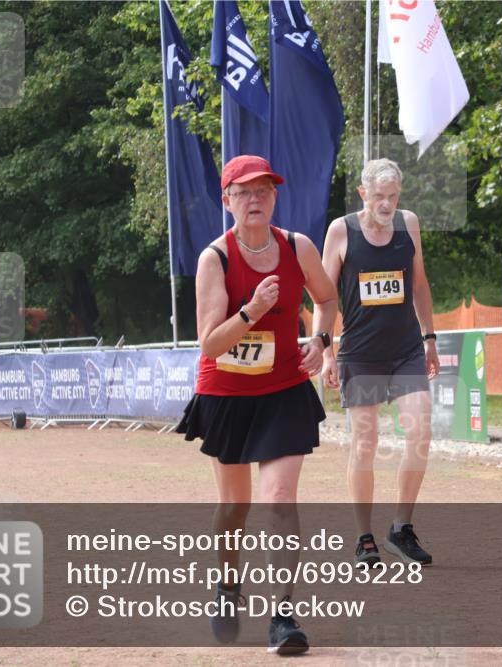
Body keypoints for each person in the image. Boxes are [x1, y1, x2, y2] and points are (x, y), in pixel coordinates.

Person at [177, 155, 337, 655]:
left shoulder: (298, 247)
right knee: (234, 508)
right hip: (227, 392)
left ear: (274, 198)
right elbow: (211, 343)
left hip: (285, 388)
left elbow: (328, 299)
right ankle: (228, 587)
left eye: (263, 191)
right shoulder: (215, 259)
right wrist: (253, 310)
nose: (254, 200)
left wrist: (320, 339)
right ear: (227, 201)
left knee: (280, 499)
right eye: (243, 192)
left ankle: (283, 616)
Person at [317, 158, 439, 569]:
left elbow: (419, 284)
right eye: (379, 197)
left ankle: (400, 528)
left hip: (406, 349)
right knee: (365, 443)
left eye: (393, 196)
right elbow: (324, 296)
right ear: (363, 194)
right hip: (362, 353)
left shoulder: (409, 224)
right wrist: (326, 351)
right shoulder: (342, 230)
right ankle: (364, 538)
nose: (387, 205)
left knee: (421, 431)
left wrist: (430, 338)